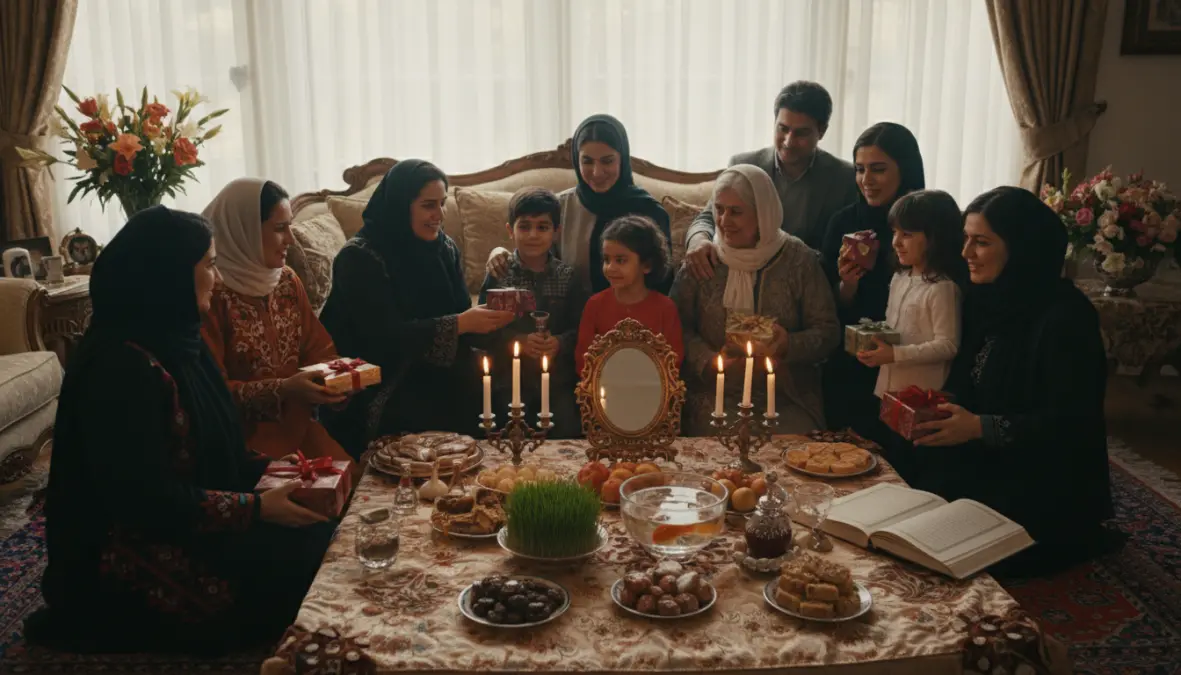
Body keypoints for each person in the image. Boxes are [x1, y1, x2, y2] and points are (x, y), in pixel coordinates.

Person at [29, 206, 335, 655]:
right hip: (131, 551)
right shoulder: (118, 367)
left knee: (320, 533)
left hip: (193, 515)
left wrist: (274, 470)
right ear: (169, 276)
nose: (216, 277)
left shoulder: (179, 339)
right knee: (299, 563)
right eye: (208, 265)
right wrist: (255, 509)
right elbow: (141, 500)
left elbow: (218, 450)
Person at [907, 186, 1115, 576]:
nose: (966, 253)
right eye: (966, 239)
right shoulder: (992, 297)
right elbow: (972, 375)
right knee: (918, 467)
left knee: (949, 536)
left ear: (1022, 248)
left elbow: (1069, 422)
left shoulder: (1067, 319)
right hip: (991, 451)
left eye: (981, 243)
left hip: (1042, 469)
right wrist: (941, 403)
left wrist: (977, 426)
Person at [319, 160, 514, 452]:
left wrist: (495, 320)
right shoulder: (359, 258)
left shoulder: (444, 247)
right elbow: (381, 337)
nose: (439, 215)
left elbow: (464, 314)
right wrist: (461, 324)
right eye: (428, 205)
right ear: (400, 205)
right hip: (384, 378)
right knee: (435, 409)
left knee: (495, 394)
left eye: (442, 204)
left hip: (439, 366)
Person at [671, 165, 839, 435]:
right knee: (717, 441)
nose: (725, 220)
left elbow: (828, 332)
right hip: (714, 394)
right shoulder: (703, 259)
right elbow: (676, 326)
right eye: (720, 209)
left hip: (786, 394)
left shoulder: (800, 260)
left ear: (763, 214)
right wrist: (709, 360)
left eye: (736, 211)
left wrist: (788, 343)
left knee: (795, 445)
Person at [200, 178, 354, 471]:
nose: (291, 240)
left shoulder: (286, 280)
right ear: (243, 229)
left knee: (365, 497)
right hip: (244, 447)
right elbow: (212, 395)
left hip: (301, 431)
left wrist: (334, 383)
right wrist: (284, 389)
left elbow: (319, 350)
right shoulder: (210, 295)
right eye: (279, 228)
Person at [683, 81, 858, 279]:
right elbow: (707, 217)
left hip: (805, 282)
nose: (788, 141)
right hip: (743, 274)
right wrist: (698, 240)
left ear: (822, 131)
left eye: (801, 133)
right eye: (783, 129)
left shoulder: (844, 178)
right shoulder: (744, 163)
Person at [818, 122, 926, 437]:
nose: (867, 180)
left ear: (904, 169)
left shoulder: (927, 222)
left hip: (913, 348)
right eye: (860, 169)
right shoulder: (844, 221)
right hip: (855, 352)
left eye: (878, 169)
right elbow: (829, 308)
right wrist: (847, 285)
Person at [486, 114, 672, 296]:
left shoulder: (650, 212)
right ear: (576, 159)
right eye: (587, 161)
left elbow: (662, 281)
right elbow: (534, 258)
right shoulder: (561, 207)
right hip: (569, 319)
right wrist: (500, 253)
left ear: (622, 159)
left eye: (607, 161)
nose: (597, 172)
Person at [854, 190, 966, 474]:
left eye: (907, 234)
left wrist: (894, 354)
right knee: (887, 464)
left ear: (935, 237)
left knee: (911, 471)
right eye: (895, 232)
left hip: (920, 404)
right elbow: (895, 328)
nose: (895, 242)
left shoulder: (942, 288)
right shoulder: (900, 277)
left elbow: (948, 345)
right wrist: (873, 341)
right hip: (887, 396)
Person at [478, 187, 586, 437]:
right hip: (508, 380)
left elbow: (582, 329)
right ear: (510, 230)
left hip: (558, 380)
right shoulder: (499, 275)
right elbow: (481, 332)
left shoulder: (569, 277)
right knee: (505, 439)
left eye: (543, 227)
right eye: (524, 227)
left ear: (556, 232)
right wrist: (517, 342)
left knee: (566, 435)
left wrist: (559, 343)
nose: (533, 235)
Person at [575, 215, 683, 375]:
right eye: (606, 259)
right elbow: (583, 360)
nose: (610, 268)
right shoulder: (595, 305)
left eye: (620, 260)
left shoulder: (665, 308)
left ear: (647, 265)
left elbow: (674, 360)